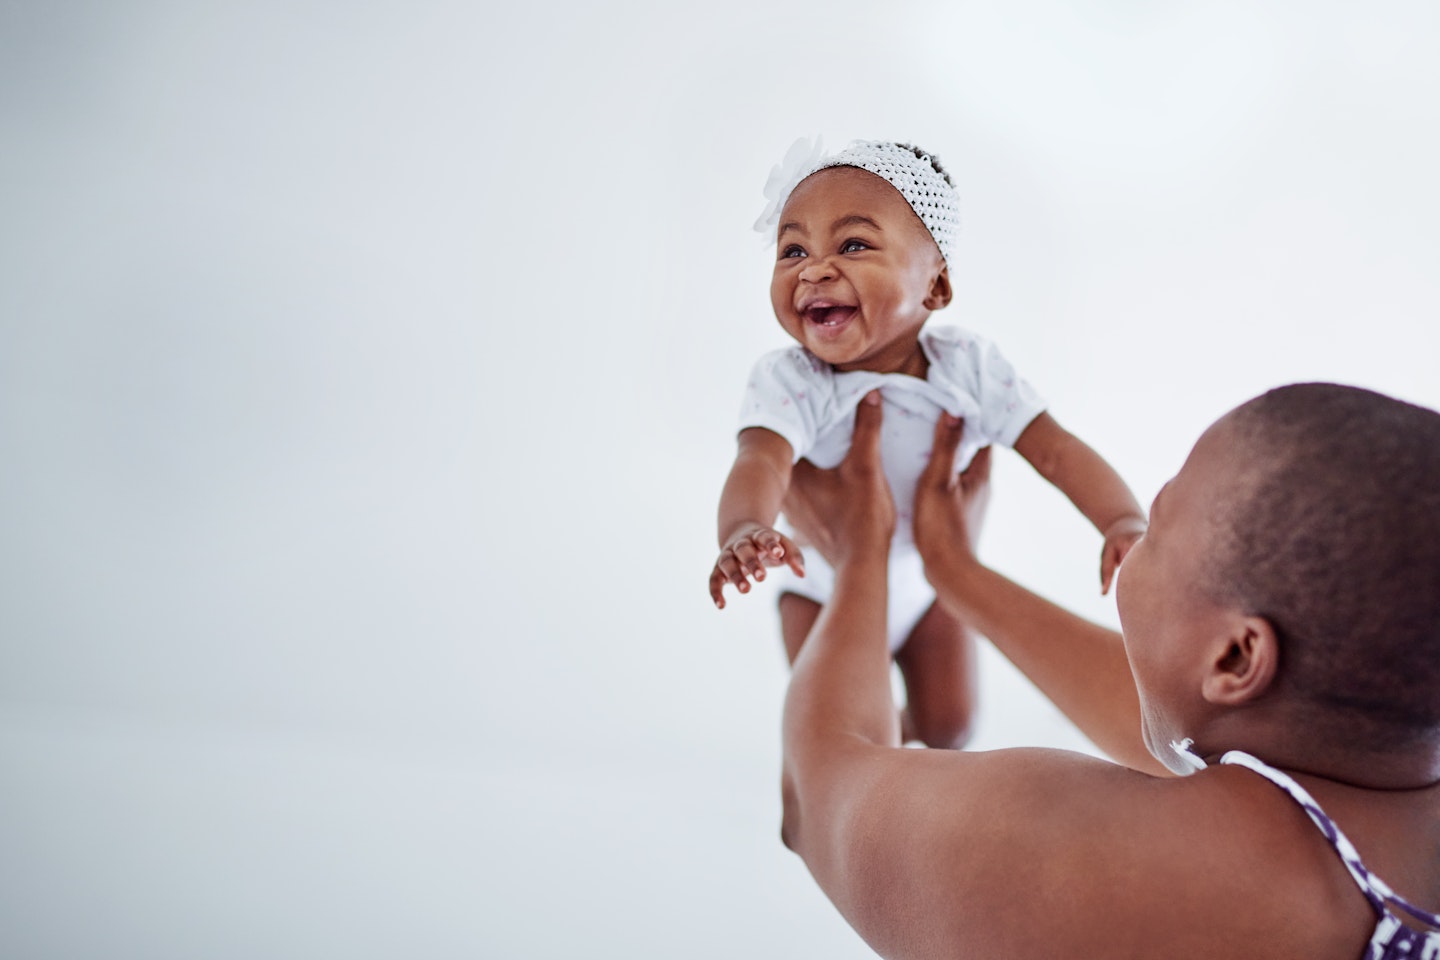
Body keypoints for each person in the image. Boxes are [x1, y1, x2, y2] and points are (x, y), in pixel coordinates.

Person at [776, 383, 1440, 959]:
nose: (1136, 543)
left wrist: (862, 550)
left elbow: (818, 789)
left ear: (1236, 657)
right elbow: (1205, 718)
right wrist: (953, 571)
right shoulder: (1387, 767)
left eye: (1158, 526)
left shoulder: (1204, 884)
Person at [709, 139, 1147, 748]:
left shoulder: (966, 368)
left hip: (932, 588)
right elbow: (760, 460)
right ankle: (848, 767)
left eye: (853, 244)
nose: (813, 269)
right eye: (792, 250)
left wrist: (1121, 519)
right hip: (819, 587)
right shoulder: (791, 379)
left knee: (953, 728)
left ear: (935, 287)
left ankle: (907, 746)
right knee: (839, 735)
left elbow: (1055, 450)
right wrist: (744, 528)